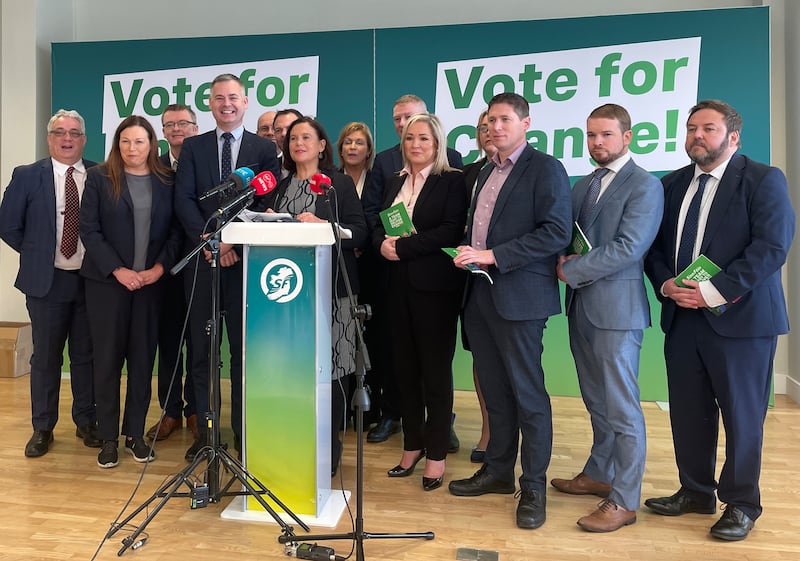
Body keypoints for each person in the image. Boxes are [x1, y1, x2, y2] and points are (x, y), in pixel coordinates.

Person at [644, 100, 795, 541]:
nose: (697, 135)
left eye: (707, 128)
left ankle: (742, 503)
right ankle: (695, 491)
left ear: (732, 136)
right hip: (683, 317)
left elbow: (772, 247)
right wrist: (666, 285)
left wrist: (712, 291)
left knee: (742, 417)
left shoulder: (763, 179)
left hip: (743, 320)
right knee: (688, 413)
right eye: (691, 128)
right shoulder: (671, 185)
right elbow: (655, 251)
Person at [448, 92, 572, 530]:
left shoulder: (546, 169)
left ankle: (532, 485)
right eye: (490, 121)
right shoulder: (484, 171)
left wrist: (493, 255)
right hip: (479, 296)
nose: (496, 127)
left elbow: (555, 233)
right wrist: (471, 251)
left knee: (528, 395)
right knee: (495, 392)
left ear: (525, 123)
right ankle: (498, 472)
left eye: (504, 120)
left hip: (520, 297)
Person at [552, 104, 664, 532]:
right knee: (597, 402)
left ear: (627, 136)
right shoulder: (583, 185)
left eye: (606, 135)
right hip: (581, 308)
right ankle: (599, 474)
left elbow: (629, 247)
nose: (597, 143)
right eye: (591, 135)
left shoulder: (645, 186)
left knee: (623, 409)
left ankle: (625, 499)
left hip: (617, 313)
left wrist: (569, 270)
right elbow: (572, 238)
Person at [174, 73, 280, 462]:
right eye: (219, 98)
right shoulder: (193, 147)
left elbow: (267, 203)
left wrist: (232, 240)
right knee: (201, 351)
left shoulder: (265, 149)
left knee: (242, 352)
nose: (226, 104)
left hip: (245, 262)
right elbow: (183, 199)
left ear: (246, 101)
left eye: (233, 97)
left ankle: (242, 432)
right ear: (210, 104)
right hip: (202, 259)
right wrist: (211, 240)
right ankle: (206, 432)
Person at [257, 116, 367, 476]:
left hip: (330, 294)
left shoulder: (337, 185)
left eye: (307, 137)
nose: (298, 143)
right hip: (286, 298)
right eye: (292, 138)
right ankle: (292, 440)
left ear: (322, 145)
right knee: (292, 371)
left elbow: (360, 234)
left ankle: (329, 445)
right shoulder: (277, 187)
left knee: (331, 371)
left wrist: (327, 227)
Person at [361, 94, 463, 449]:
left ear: (437, 143)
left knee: (434, 374)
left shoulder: (451, 179)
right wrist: (380, 244)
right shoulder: (393, 180)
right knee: (403, 370)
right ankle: (412, 447)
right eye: (409, 138)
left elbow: (450, 230)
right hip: (396, 288)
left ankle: (436, 451)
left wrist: (400, 247)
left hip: (434, 291)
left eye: (423, 138)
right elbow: (376, 221)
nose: (415, 143)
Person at [80, 115, 181, 468]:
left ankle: (134, 435)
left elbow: (174, 233)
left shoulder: (167, 180)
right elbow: (89, 231)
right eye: (125, 141)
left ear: (152, 145)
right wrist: (119, 270)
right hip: (107, 285)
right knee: (106, 362)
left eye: (139, 142)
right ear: (116, 144)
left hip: (151, 286)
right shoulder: (98, 178)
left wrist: (157, 270)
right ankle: (108, 438)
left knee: (142, 362)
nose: (132, 148)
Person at [0, 109, 100, 457]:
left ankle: (86, 422)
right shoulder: (27, 175)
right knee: (45, 358)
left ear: (84, 139)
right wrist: (39, 252)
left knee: (86, 355)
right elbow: (9, 225)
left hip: (91, 280)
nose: (67, 138)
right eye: (60, 132)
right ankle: (42, 428)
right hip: (46, 281)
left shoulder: (100, 174)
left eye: (74, 132)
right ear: (49, 137)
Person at [145, 103, 199, 443]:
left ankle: (195, 410)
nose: (177, 128)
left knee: (198, 344)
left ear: (195, 127)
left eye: (183, 123)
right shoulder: (154, 168)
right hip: (163, 269)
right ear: (162, 132)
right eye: (170, 124)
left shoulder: (204, 163)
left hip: (199, 264)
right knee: (167, 344)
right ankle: (169, 411)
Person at [460, 110, 495, 464]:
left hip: (511, 287)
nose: (490, 132)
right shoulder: (470, 174)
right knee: (480, 360)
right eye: (483, 128)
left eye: (496, 125)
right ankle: (488, 430)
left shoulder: (535, 169)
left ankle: (509, 436)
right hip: (470, 283)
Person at [273, 108, 303, 177]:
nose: (283, 134)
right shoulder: (271, 168)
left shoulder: (320, 170)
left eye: (289, 128)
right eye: (278, 130)